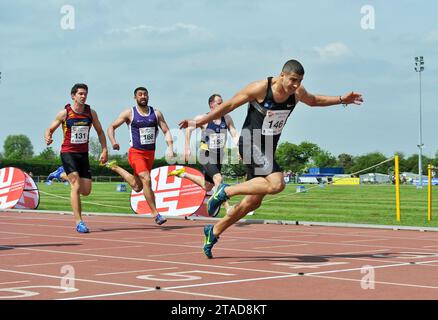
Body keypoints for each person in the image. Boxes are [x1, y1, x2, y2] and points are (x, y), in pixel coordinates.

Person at [179, 59, 363, 258]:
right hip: (251, 142)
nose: (296, 85)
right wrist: (200, 122)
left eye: (299, 81)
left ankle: (213, 232)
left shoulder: (297, 92)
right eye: (293, 80)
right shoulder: (260, 88)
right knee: (277, 184)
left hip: (267, 148)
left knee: (252, 203)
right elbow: (229, 105)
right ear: (282, 75)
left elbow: (314, 101)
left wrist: (342, 99)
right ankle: (225, 191)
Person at [105, 86, 174, 225]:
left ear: (148, 97)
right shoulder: (129, 113)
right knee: (147, 179)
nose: (143, 97)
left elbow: (166, 130)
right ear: (135, 97)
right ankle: (156, 214)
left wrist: (170, 147)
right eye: (140, 95)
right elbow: (111, 127)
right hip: (136, 152)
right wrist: (113, 142)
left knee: (138, 187)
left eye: (145, 94)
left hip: (150, 154)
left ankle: (115, 168)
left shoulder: (156, 113)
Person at [45, 83, 108, 233]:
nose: (83, 96)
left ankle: (60, 174)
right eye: (80, 94)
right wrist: (48, 137)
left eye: (85, 94)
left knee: (86, 191)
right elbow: (50, 128)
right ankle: (79, 222)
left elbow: (100, 132)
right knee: (76, 185)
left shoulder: (91, 113)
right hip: (68, 152)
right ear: (73, 96)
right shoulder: (64, 113)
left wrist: (104, 150)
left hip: (83, 154)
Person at [168, 94, 240, 217]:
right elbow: (189, 129)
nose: (222, 104)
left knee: (207, 186)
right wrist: (187, 147)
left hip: (218, 156)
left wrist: (239, 148)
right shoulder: (204, 118)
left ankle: (183, 173)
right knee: (218, 179)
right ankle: (228, 208)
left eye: (222, 102)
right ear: (211, 105)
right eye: (219, 102)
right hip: (206, 154)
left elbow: (233, 133)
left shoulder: (227, 118)